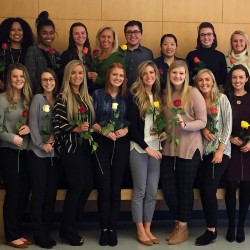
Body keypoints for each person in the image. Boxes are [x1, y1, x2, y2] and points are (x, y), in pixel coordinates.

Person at [160, 60, 207, 245]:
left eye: (181, 73)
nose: (178, 76)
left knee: (184, 189)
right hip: (169, 148)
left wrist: (186, 125)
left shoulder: (193, 93)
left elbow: (202, 121)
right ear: (169, 75)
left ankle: (183, 227)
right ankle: (179, 223)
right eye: (174, 73)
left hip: (190, 147)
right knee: (169, 189)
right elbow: (164, 120)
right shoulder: (165, 95)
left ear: (186, 75)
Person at [53, 60, 95, 246]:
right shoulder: (63, 97)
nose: (77, 76)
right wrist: (76, 129)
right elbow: (57, 124)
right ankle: (68, 231)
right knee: (77, 187)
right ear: (68, 75)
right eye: (74, 73)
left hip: (85, 149)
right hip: (71, 150)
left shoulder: (86, 97)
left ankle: (72, 225)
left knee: (87, 186)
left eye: (80, 73)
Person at [92, 63, 129, 246]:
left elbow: (133, 120)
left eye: (121, 75)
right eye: (115, 75)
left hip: (120, 144)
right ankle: (104, 228)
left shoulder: (125, 97)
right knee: (104, 188)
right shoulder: (97, 95)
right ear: (108, 76)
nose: (118, 78)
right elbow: (91, 121)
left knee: (116, 189)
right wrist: (102, 131)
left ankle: (113, 228)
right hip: (101, 144)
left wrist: (126, 129)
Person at [193, 69, 232, 246]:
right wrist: (202, 129)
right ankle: (211, 227)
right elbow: (194, 122)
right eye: (200, 80)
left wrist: (220, 150)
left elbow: (227, 126)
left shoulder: (222, 99)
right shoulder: (196, 100)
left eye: (207, 79)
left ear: (213, 81)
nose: (204, 83)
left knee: (208, 189)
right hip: (203, 152)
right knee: (204, 189)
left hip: (220, 152)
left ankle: (211, 231)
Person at [127, 61, 162, 246]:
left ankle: (148, 228)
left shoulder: (158, 96)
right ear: (140, 77)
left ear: (156, 75)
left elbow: (160, 122)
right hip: (139, 149)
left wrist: (163, 132)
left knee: (151, 191)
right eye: (145, 73)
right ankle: (140, 229)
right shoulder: (134, 97)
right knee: (139, 191)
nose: (149, 76)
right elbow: (132, 129)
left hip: (156, 149)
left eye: (152, 72)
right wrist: (147, 149)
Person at [0, 63, 33, 248]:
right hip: (8, 152)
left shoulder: (28, 100)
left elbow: (34, 124)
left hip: (25, 152)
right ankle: (11, 235)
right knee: (13, 193)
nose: (18, 80)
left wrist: (29, 129)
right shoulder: (2, 100)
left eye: (21, 76)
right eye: (15, 76)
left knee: (23, 193)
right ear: (9, 79)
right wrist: (12, 137)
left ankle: (19, 231)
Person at [27, 69, 59, 248]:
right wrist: (42, 145)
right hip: (38, 153)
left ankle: (47, 231)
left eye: (51, 79)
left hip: (53, 155)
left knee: (50, 194)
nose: (48, 83)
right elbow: (32, 124)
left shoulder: (58, 100)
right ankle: (38, 234)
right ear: (40, 83)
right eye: (45, 80)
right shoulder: (38, 99)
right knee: (39, 195)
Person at [224, 64, 250, 243]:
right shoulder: (225, 98)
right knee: (231, 187)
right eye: (234, 77)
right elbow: (218, 123)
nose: (237, 81)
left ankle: (241, 225)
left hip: (248, 151)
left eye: (241, 77)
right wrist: (229, 139)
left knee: (247, 189)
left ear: (247, 79)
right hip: (230, 149)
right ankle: (231, 225)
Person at [25, 11, 61, 93]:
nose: (48, 36)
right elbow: (30, 78)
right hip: (38, 95)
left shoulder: (56, 54)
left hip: (54, 96)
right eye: (44, 33)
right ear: (38, 34)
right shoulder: (32, 51)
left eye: (51, 33)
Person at [186, 22, 227, 88]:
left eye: (209, 34)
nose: (206, 37)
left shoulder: (220, 56)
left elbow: (224, 79)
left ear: (214, 37)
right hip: (195, 91)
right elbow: (187, 77)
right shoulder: (191, 55)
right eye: (202, 35)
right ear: (199, 38)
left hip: (215, 92)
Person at [0, 17, 34, 91]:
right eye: (12, 30)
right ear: (7, 32)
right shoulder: (2, 51)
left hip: (24, 93)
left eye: (20, 29)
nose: (17, 33)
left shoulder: (30, 51)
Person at [88, 26, 125, 92]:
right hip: (93, 92)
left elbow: (119, 80)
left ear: (113, 39)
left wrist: (97, 80)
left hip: (109, 94)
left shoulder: (118, 57)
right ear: (99, 38)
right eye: (103, 37)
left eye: (109, 37)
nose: (105, 40)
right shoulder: (96, 55)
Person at [121, 20, 153, 89]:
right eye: (129, 32)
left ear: (141, 33)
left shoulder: (147, 53)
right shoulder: (118, 52)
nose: (132, 35)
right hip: (120, 93)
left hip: (141, 92)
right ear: (125, 34)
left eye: (136, 32)